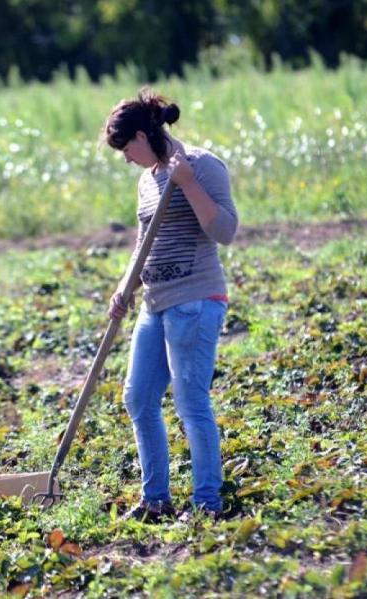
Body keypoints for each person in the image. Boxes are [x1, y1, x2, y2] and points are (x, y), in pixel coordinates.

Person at [102, 88, 239, 522]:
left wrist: (187, 184)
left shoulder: (202, 165)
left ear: (143, 135)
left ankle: (207, 503)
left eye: (127, 148)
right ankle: (155, 499)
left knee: (190, 402)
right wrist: (126, 286)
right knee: (139, 398)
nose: (126, 159)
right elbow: (145, 243)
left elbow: (225, 230)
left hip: (195, 301)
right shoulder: (147, 179)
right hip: (154, 304)